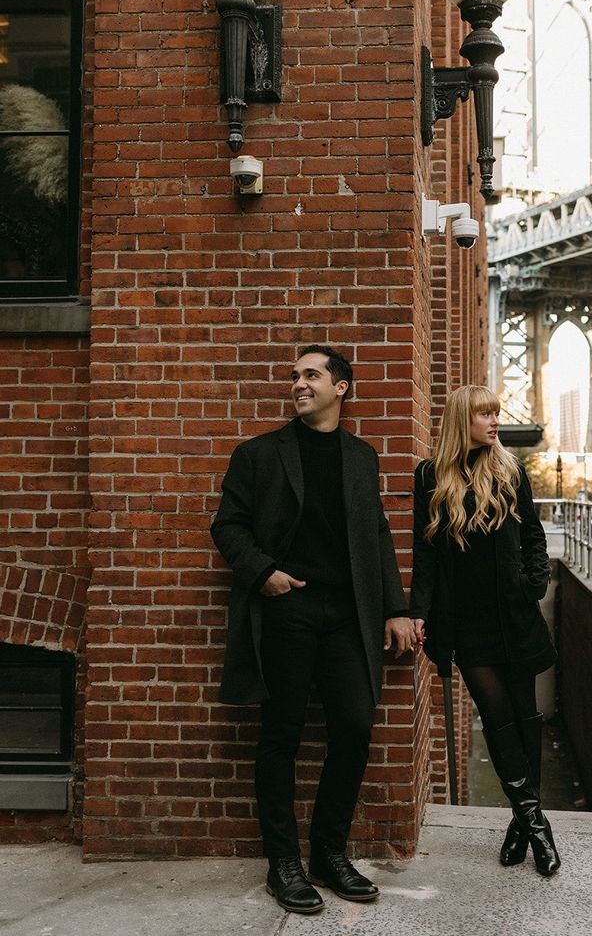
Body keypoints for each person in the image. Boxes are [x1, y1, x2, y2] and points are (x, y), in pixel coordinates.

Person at [211, 345, 415, 914]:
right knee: (282, 734)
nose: (298, 384)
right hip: (287, 610)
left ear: (341, 387)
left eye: (311, 375)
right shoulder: (258, 454)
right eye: (294, 376)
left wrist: (394, 607)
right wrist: (265, 575)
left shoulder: (360, 456)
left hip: (347, 614)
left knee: (353, 728)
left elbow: (376, 535)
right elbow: (226, 525)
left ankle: (328, 853)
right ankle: (284, 863)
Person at [410, 385, 561, 877]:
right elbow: (427, 554)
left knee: (525, 720)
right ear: (462, 420)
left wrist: (533, 584)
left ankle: (522, 823)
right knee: (498, 720)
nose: (495, 422)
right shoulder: (431, 476)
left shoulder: (510, 469)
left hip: (514, 615)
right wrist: (421, 614)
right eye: (485, 415)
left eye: (496, 413)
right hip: (467, 624)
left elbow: (534, 534)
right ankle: (538, 826)